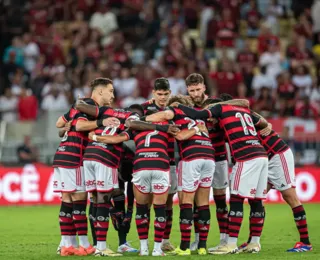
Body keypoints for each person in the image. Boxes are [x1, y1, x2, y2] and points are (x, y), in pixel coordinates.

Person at [170, 96, 269, 254]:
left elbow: (198, 115)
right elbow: (263, 122)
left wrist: (178, 106)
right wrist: (268, 126)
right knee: (257, 201)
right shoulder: (243, 110)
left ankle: (230, 244)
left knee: (236, 199)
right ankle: (255, 243)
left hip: (245, 157)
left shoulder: (219, 109)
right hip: (262, 155)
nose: (211, 121)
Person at [85, 106, 180, 256]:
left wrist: (95, 137)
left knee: (141, 209)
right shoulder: (168, 126)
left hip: (141, 165)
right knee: (160, 208)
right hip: (160, 165)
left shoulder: (135, 127)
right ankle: (156, 249)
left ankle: (143, 249)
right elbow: (182, 137)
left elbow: (115, 139)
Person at [145, 95, 215, 256]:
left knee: (186, 201)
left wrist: (142, 119)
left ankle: (184, 247)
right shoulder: (198, 115)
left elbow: (181, 136)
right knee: (203, 202)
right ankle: (202, 246)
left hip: (191, 158)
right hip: (209, 156)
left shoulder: (175, 112)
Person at [53, 78, 112, 256]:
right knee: (79, 202)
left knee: (67, 201)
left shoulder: (77, 105)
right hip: (74, 157)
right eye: (110, 91)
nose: (112, 95)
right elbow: (79, 125)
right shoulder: (88, 104)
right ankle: (84, 245)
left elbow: (58, 123)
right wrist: (102, 122)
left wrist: (67, 125)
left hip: (62, 155)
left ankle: (66, 246)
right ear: (100, 91)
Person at [184, 73, 229, 251]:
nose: (195, 93)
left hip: (218, 158)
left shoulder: (217, 105)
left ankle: (225, 239)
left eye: (198, 89)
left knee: (220, 200)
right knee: (197, 203)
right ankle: (197, 239)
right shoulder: (186, 106)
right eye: (192, 90)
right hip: (196, 158)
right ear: (188, 90)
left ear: (204, 87)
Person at [141, 78, 177, 252]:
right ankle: (146, 242)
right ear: (154, 93)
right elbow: (133, 121)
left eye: (165, 94)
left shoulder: (174, 108)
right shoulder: (143, 107)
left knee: (168, 202)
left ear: (170, 93)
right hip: (149, 159)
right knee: (146, 203)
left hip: (170, 161)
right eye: (159, 94)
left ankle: (165, 240)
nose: (162, 97)